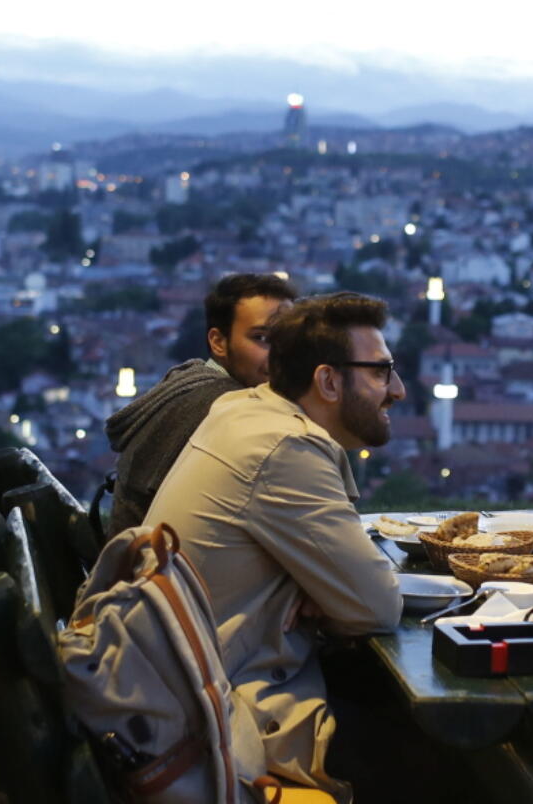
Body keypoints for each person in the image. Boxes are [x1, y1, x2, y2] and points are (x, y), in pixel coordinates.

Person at [143, 292, 405, 802]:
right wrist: (323, 589)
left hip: (187, 685)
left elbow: (349, 581)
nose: (397, 389)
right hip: (224, 717)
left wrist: (312, 586)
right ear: (328, 381)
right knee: (447, 744)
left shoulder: (242, 410)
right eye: (381, 371)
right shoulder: (285, 449)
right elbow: (377, 606)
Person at [104, 272, 297, 534]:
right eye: (261, 338)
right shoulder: (226, 408)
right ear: (218, 342)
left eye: (288, 338)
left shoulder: (190, 383)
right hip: (161, 566)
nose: (280, 353)